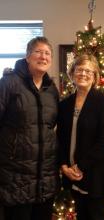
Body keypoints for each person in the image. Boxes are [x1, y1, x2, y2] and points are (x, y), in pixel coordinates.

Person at [0, 36, 60, 220]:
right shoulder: (9, 83)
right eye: (38, 52)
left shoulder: (52, 90)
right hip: (16, 178)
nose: (43, 57)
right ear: (27, 56)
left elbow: (53, 128)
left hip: (45, 179)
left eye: (47, 53)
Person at [57, 54, 104, 220]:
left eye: (88, 71)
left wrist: (80, 166)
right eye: (79, 70)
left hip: (95, 173)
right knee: (81, 215)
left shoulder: (103, 102)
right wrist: (64, 166)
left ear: (95, 76)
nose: (83, 74)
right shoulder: (65, 104)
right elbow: (60, 138)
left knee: (96, 215)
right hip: (71, 173)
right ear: (72, 73)